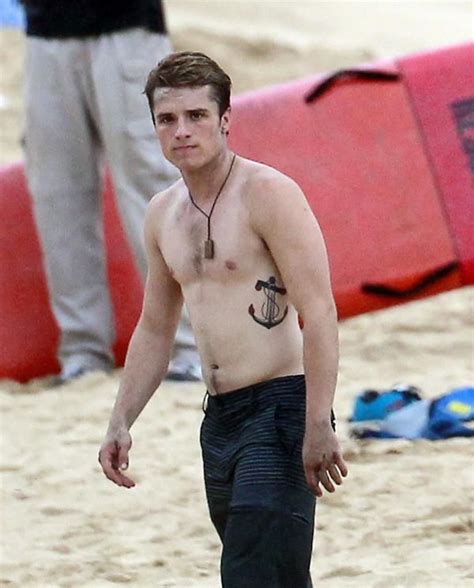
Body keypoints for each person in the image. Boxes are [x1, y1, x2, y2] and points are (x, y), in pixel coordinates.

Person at [99, 51, 348, 587]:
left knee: (250, 574)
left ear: (226, 119)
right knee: (273, 575)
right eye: (167, 119)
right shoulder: (162, 213)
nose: (181, 131)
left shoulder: (268, 194)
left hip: (280, 411)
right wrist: (121, 420)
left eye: (197, 116)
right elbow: (155, 327)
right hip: (219, 420)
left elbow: (320, 311)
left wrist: (318, 421)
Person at [21, 0, 201, 383]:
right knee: (57, 194)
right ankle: (82, 353)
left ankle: (191, 346)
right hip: (45, 31)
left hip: (128, 29)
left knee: (153, 188)